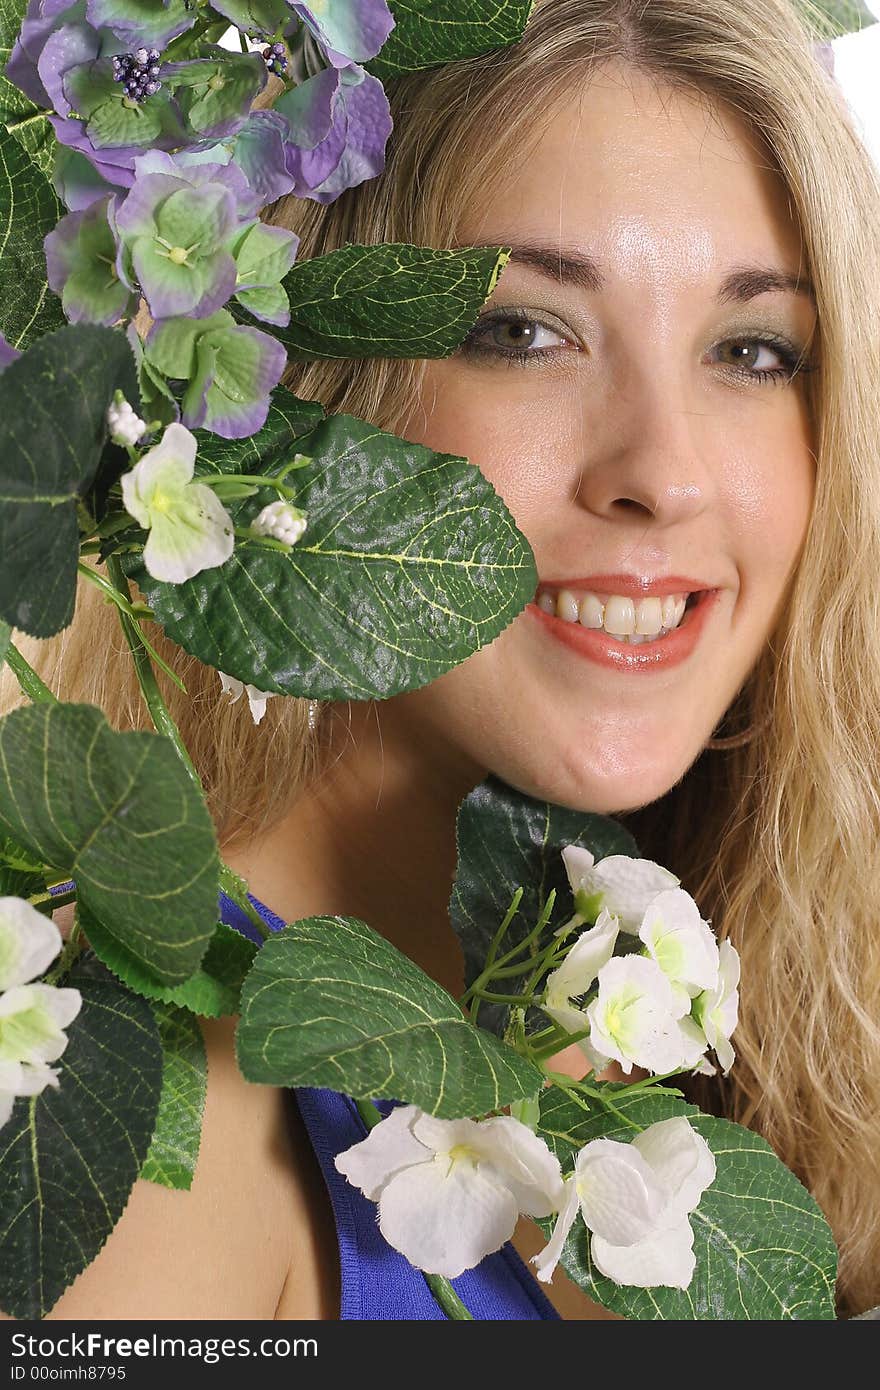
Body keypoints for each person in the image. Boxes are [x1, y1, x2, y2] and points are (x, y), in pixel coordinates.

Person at [3, 0, 879, 1320]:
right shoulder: (139, 1137)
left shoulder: (735, 1015)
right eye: (522, 331)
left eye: (753, 349)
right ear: (299, 385)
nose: (664, 473)